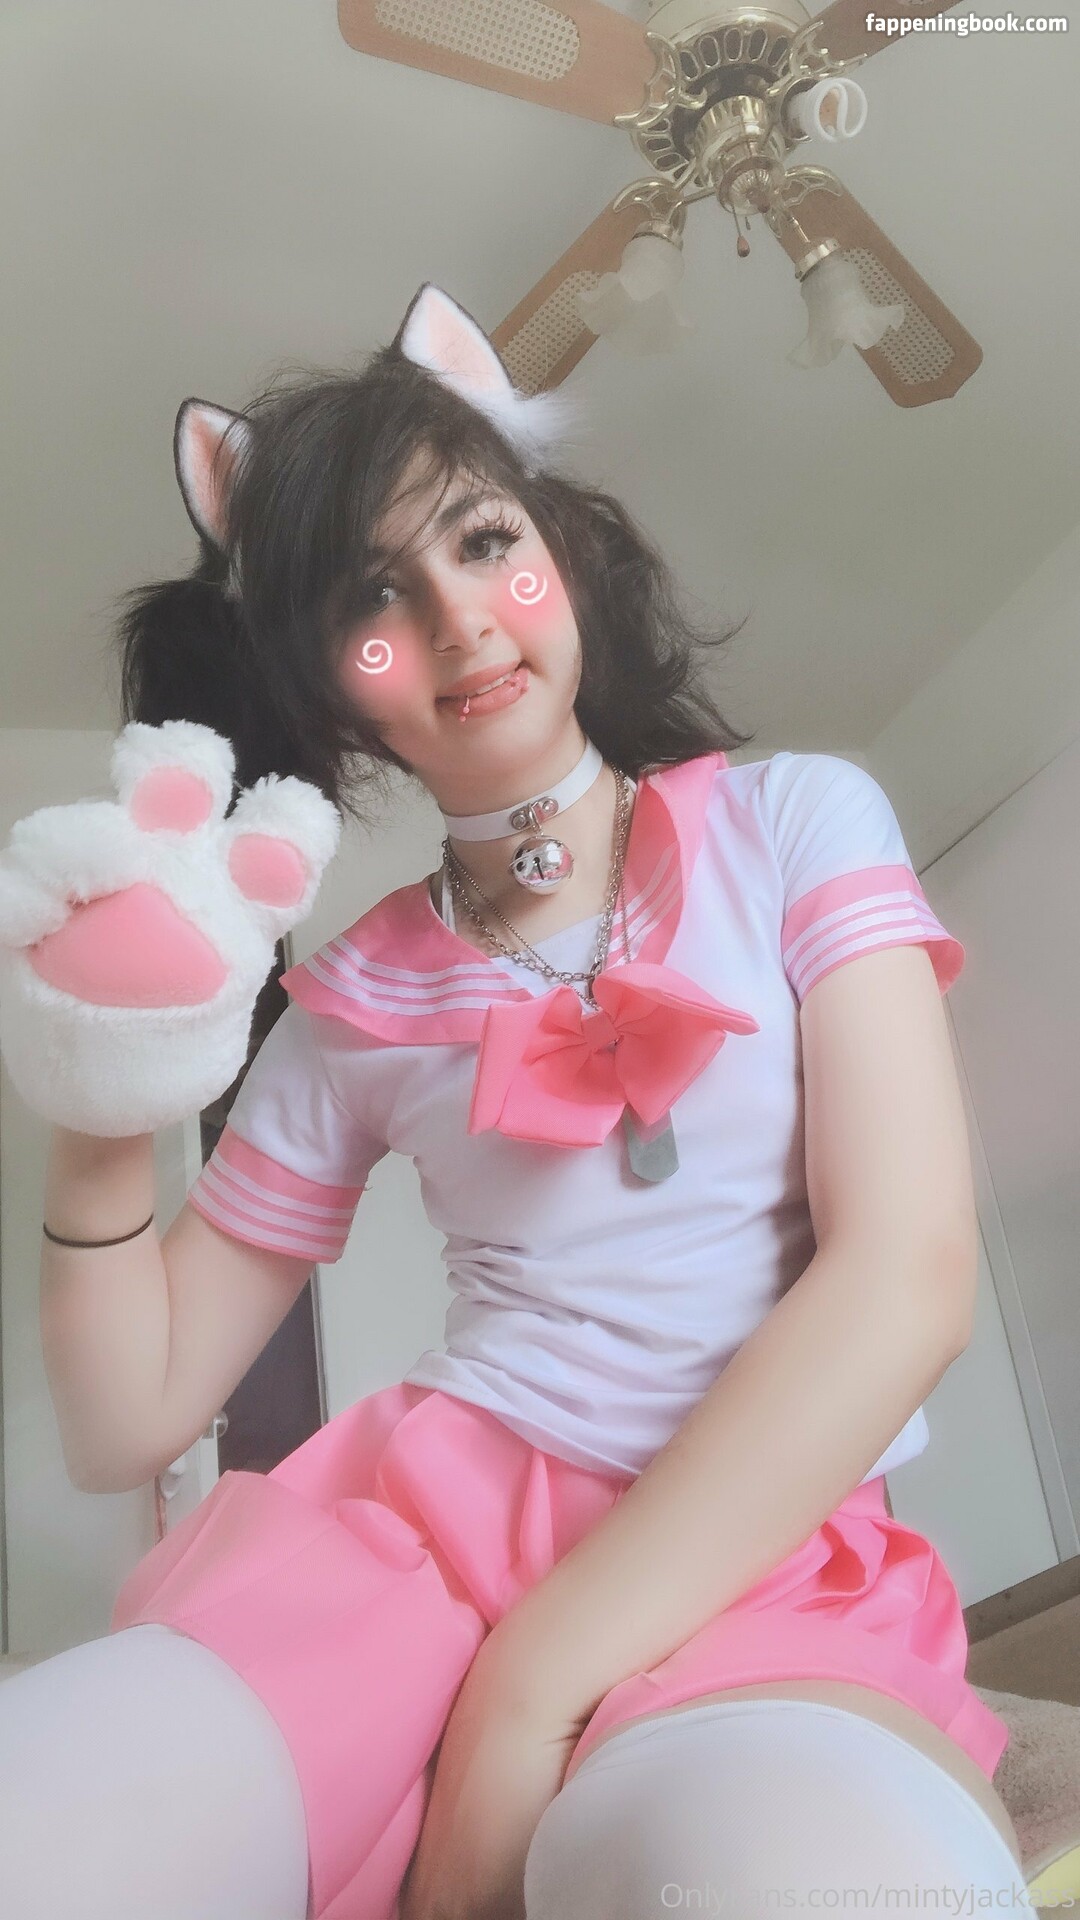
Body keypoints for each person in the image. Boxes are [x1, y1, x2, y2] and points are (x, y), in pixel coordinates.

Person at [0, 283, 1026, 1920]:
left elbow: (908, 1278)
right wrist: (100, 1086)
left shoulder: (796, 820)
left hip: (757, 1557)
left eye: (484, 542)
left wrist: (530, 1684)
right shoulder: (352, 1004)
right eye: (375, 598)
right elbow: (131, 1418)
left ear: (559, 546)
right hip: (401, 1561)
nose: (460, 618)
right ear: (328, 682)